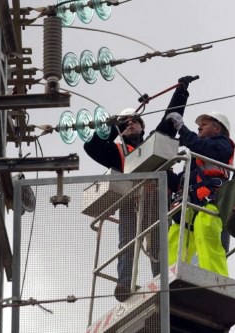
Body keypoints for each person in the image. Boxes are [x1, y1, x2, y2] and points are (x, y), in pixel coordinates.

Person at [84, 76, 196, 302]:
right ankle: (125, 284)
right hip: (131, 201)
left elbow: (168, 122)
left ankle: (160, 281)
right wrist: (112, 127)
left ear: (142, 127)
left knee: (157, 244)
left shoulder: (152, 146)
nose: (130, 125)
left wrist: (181, 92)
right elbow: (92, 147)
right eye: (126, 124)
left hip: (155, 199)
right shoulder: (117, 153)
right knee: (127, 242)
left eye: (134, 122)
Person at [165, 111, 235, 276]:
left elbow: (200, 146)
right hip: (191, 205)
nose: (199, 127)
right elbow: (178, 183)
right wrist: (164, 166)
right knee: (176, 236)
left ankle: (215, 278)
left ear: (217, 129)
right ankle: (172, 275)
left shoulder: (223, 146)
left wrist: (182, 129)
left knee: (206, 231)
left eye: (204, 124)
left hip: (210, 202)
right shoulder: (195, 161)